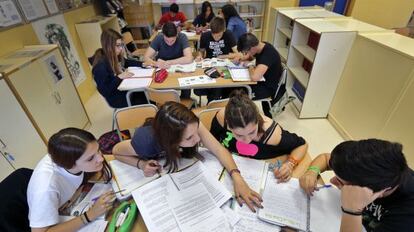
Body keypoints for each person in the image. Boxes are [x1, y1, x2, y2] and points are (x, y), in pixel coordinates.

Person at [113, 101, 263, 212]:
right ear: (171, 140)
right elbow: (116, 151)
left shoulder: (190, 125)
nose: (198, 139)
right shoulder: (146, 142)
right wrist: (141, 164)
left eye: (197, 131)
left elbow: (218, 149)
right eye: (189, 138)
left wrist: (237, 177)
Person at [299, 139, 414, 232]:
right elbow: (325, 158)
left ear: (380, 191)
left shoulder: (406, 219)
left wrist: (352, 210)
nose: (332, 181)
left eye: (341, 182)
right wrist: (312, 172)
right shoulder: (369, 166)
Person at [27, 128, 115, 231]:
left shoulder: (66, 154)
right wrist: (90, 215)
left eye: (98, 150)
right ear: (71, 164)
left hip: (65, 202)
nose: (101, 158)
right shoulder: (46, 188)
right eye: (90, 158)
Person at [210, 91, 308, 183]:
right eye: (239, 135)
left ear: (258, 121)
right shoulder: (222, 118)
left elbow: (302, 144)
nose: (247, 140)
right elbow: (212, 141)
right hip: (227, 169)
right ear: (228, 125)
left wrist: (290, 164)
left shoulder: (271, 135)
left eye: (252, 132)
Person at [91, 29, 148, 108]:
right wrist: (119, 77)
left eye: (121, 45)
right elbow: (105, 91)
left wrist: (143, 64)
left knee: (148, 93)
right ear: (108, 46)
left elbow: (126, 62)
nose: (121, 48)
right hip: (116, 97)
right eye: (118, 45)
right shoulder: (100, 66)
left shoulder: (113, 55)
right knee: (147, 98)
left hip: (123, 89)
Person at [237, 33, 284, 118]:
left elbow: (255, 77)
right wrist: (242, 58)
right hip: (261, 82)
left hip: (267, 88)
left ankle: (242, 117)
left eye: (246, 52)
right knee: (234, 89)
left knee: (237, 94)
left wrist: (250, 65)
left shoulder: (268, 55)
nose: (246, 54)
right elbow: (251, 56)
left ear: (252, 48)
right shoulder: (261, 46)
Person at [194, 16, 240, 102]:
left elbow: (238, 54)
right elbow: (201, 51)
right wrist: (199, 56)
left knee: (217, 88)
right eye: (213, 35)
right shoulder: (205, 35)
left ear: (224, 30)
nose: (216, 38)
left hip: (225, 67)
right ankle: (214, 104)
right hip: (210, 66)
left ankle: (213, 104)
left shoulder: (229, 35)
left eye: (219, 35)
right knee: (210, 87)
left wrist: (224, 56)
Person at [144, 22, 193, 98]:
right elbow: (146, 58)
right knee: (162, 91)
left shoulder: (182, 37)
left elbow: (189, 58)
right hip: (162, 70)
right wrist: (157, 64)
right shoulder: (159, 38)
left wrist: (169, 62)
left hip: (179, 69)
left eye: (172, 40)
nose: (169, 43)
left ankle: (184, 104)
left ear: (177, 34)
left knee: (186, 86)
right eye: (167, 41)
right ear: (163, 35)